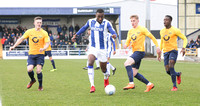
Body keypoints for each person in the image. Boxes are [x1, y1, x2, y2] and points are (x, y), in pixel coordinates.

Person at [72, 9, 117, 93]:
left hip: (103, 49)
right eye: (98, 16)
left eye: (102, 17)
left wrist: (115, 35)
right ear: (96, 15)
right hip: (93, 47)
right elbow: (84, 28)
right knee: (90, 61)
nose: (100, 18)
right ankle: (92, 86)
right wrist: (76, 35)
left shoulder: (107, 23)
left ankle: (106, 78)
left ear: (104, 16)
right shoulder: (90, 21)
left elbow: (112, 31)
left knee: (103, 69)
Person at [9, 16, 50, 91]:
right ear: (34, 23)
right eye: (38, 22)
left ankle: (40, 86)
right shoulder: (29, 31)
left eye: (40, 22)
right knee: (29, 69)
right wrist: (13, 46)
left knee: (38, 70)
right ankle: (32, 80)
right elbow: (21, 39)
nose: (39, 24)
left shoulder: (44, 33)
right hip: (31, 54)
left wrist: (44, 48)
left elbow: (47, 43)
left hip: (40, 54)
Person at [123, 15, 161, 92]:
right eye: (131, 21)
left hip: (140, 52)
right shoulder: (130, 31)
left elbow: (152, 37)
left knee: (127, 63)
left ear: (137, 21)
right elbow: (127, 41)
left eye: (134, 21)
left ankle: (131, 83)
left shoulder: (142, 29)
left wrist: (157, 46)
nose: (132, 22)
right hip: (135, 52)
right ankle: (149, 84)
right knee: (134, 73)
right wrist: (126, 45)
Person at [160, 15, 187, 91]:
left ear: (170, 21)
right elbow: (162, 42)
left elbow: (184, 38)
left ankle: (174, 86)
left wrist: (184, 47)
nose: (165, 21)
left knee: (171, 65)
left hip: (173, 51)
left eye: (166, 20)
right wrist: (159, 52)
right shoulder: (162, 31)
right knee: (168, 70)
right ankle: (178, 74)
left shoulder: (175, 30)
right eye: (164, 20)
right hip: (165, 52)